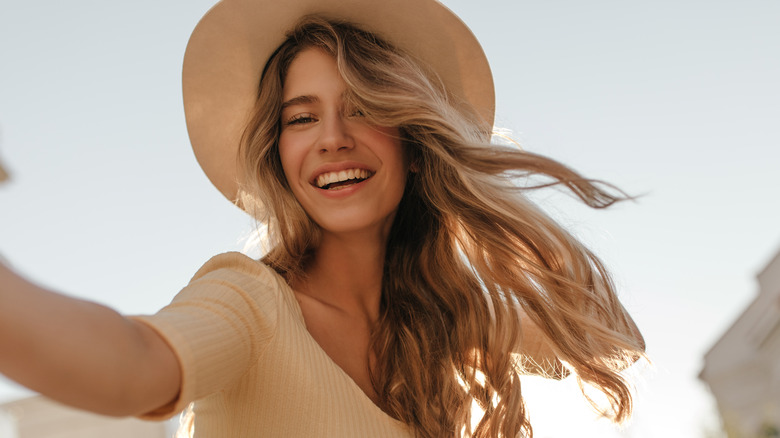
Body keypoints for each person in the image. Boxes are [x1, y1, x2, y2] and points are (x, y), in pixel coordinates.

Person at [0, 0, 645, 436]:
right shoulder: (251, 301)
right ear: (280, 157)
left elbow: (611, 338)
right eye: (302, 118)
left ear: (414, 141)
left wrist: (485, 221)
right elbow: (133, 363)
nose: (332, 138)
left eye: (363, 107)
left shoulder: (444, 324)